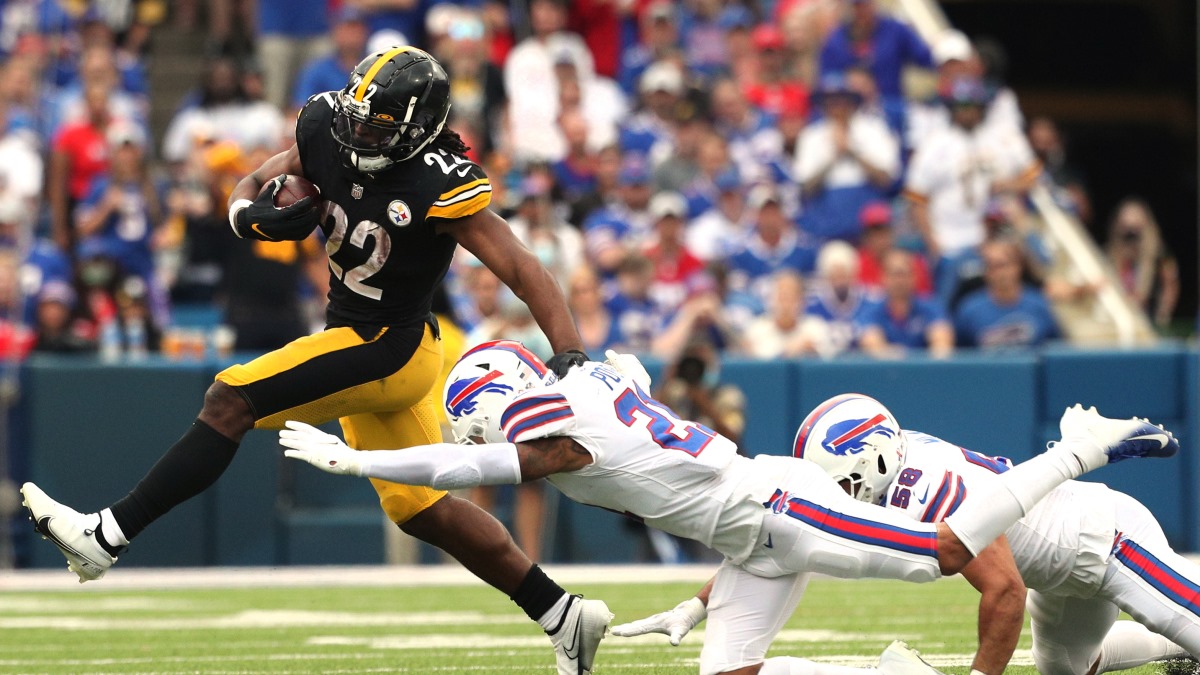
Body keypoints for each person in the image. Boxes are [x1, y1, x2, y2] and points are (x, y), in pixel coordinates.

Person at [22, 48, 612, 675]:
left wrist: (569, 353)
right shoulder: (329, 127)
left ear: (416, 131)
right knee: (422, 510)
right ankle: (562, 613)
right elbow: (256, 179)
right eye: (357, 119)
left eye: (377, 128)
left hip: (388, 344)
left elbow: (522, 266)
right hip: (365, 337)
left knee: (230, 398)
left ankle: (106, 536)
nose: (358, 135)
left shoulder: (437, 181)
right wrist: (247, 217)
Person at [281, 341, 1177, 675]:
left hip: (780, 510)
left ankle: (1081, 448)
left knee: (945, 552)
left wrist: (367, 459)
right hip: (749, 531)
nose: (481, 430)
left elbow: (480, 459)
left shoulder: (554, 429)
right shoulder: (583, 390)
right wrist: (695, 602)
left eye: (480, 414)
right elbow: (627, 413)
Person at [796, 394, 1196, 674]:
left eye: (842, 482)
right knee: (1066, 667)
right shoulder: (901, 453)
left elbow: (1005, 590)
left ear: (877, 460)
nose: (838, 494)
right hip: (1057, 573)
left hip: (1108, 541)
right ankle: (1178, 647)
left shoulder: (928, 493)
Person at [954, 238, 1059, 349]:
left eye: (1002, 265)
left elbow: (1056, 346)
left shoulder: (1040, 304)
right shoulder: (969, 311)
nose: (998, 273)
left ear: (1018, 266)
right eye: (991, 266)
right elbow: (960, 353)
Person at [857, 250, 953, 358]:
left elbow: (942, 345)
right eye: (894, 275)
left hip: (924, 367)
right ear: (883, 277)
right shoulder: (871, 312)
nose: (899, 281)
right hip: (888, 368)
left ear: (914, 277)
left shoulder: (931, 307)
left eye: (904, 274)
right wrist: (895, 355)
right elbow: (872, 345)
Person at [1104, 198, 1178, 330]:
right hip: (1119, 321)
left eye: (1135, 230)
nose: (1131, 236)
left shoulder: (1160, 254)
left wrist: (1163, 314)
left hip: (1149, 321)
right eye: (1127, 230)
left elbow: (1170, 284)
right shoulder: (1109, 255)